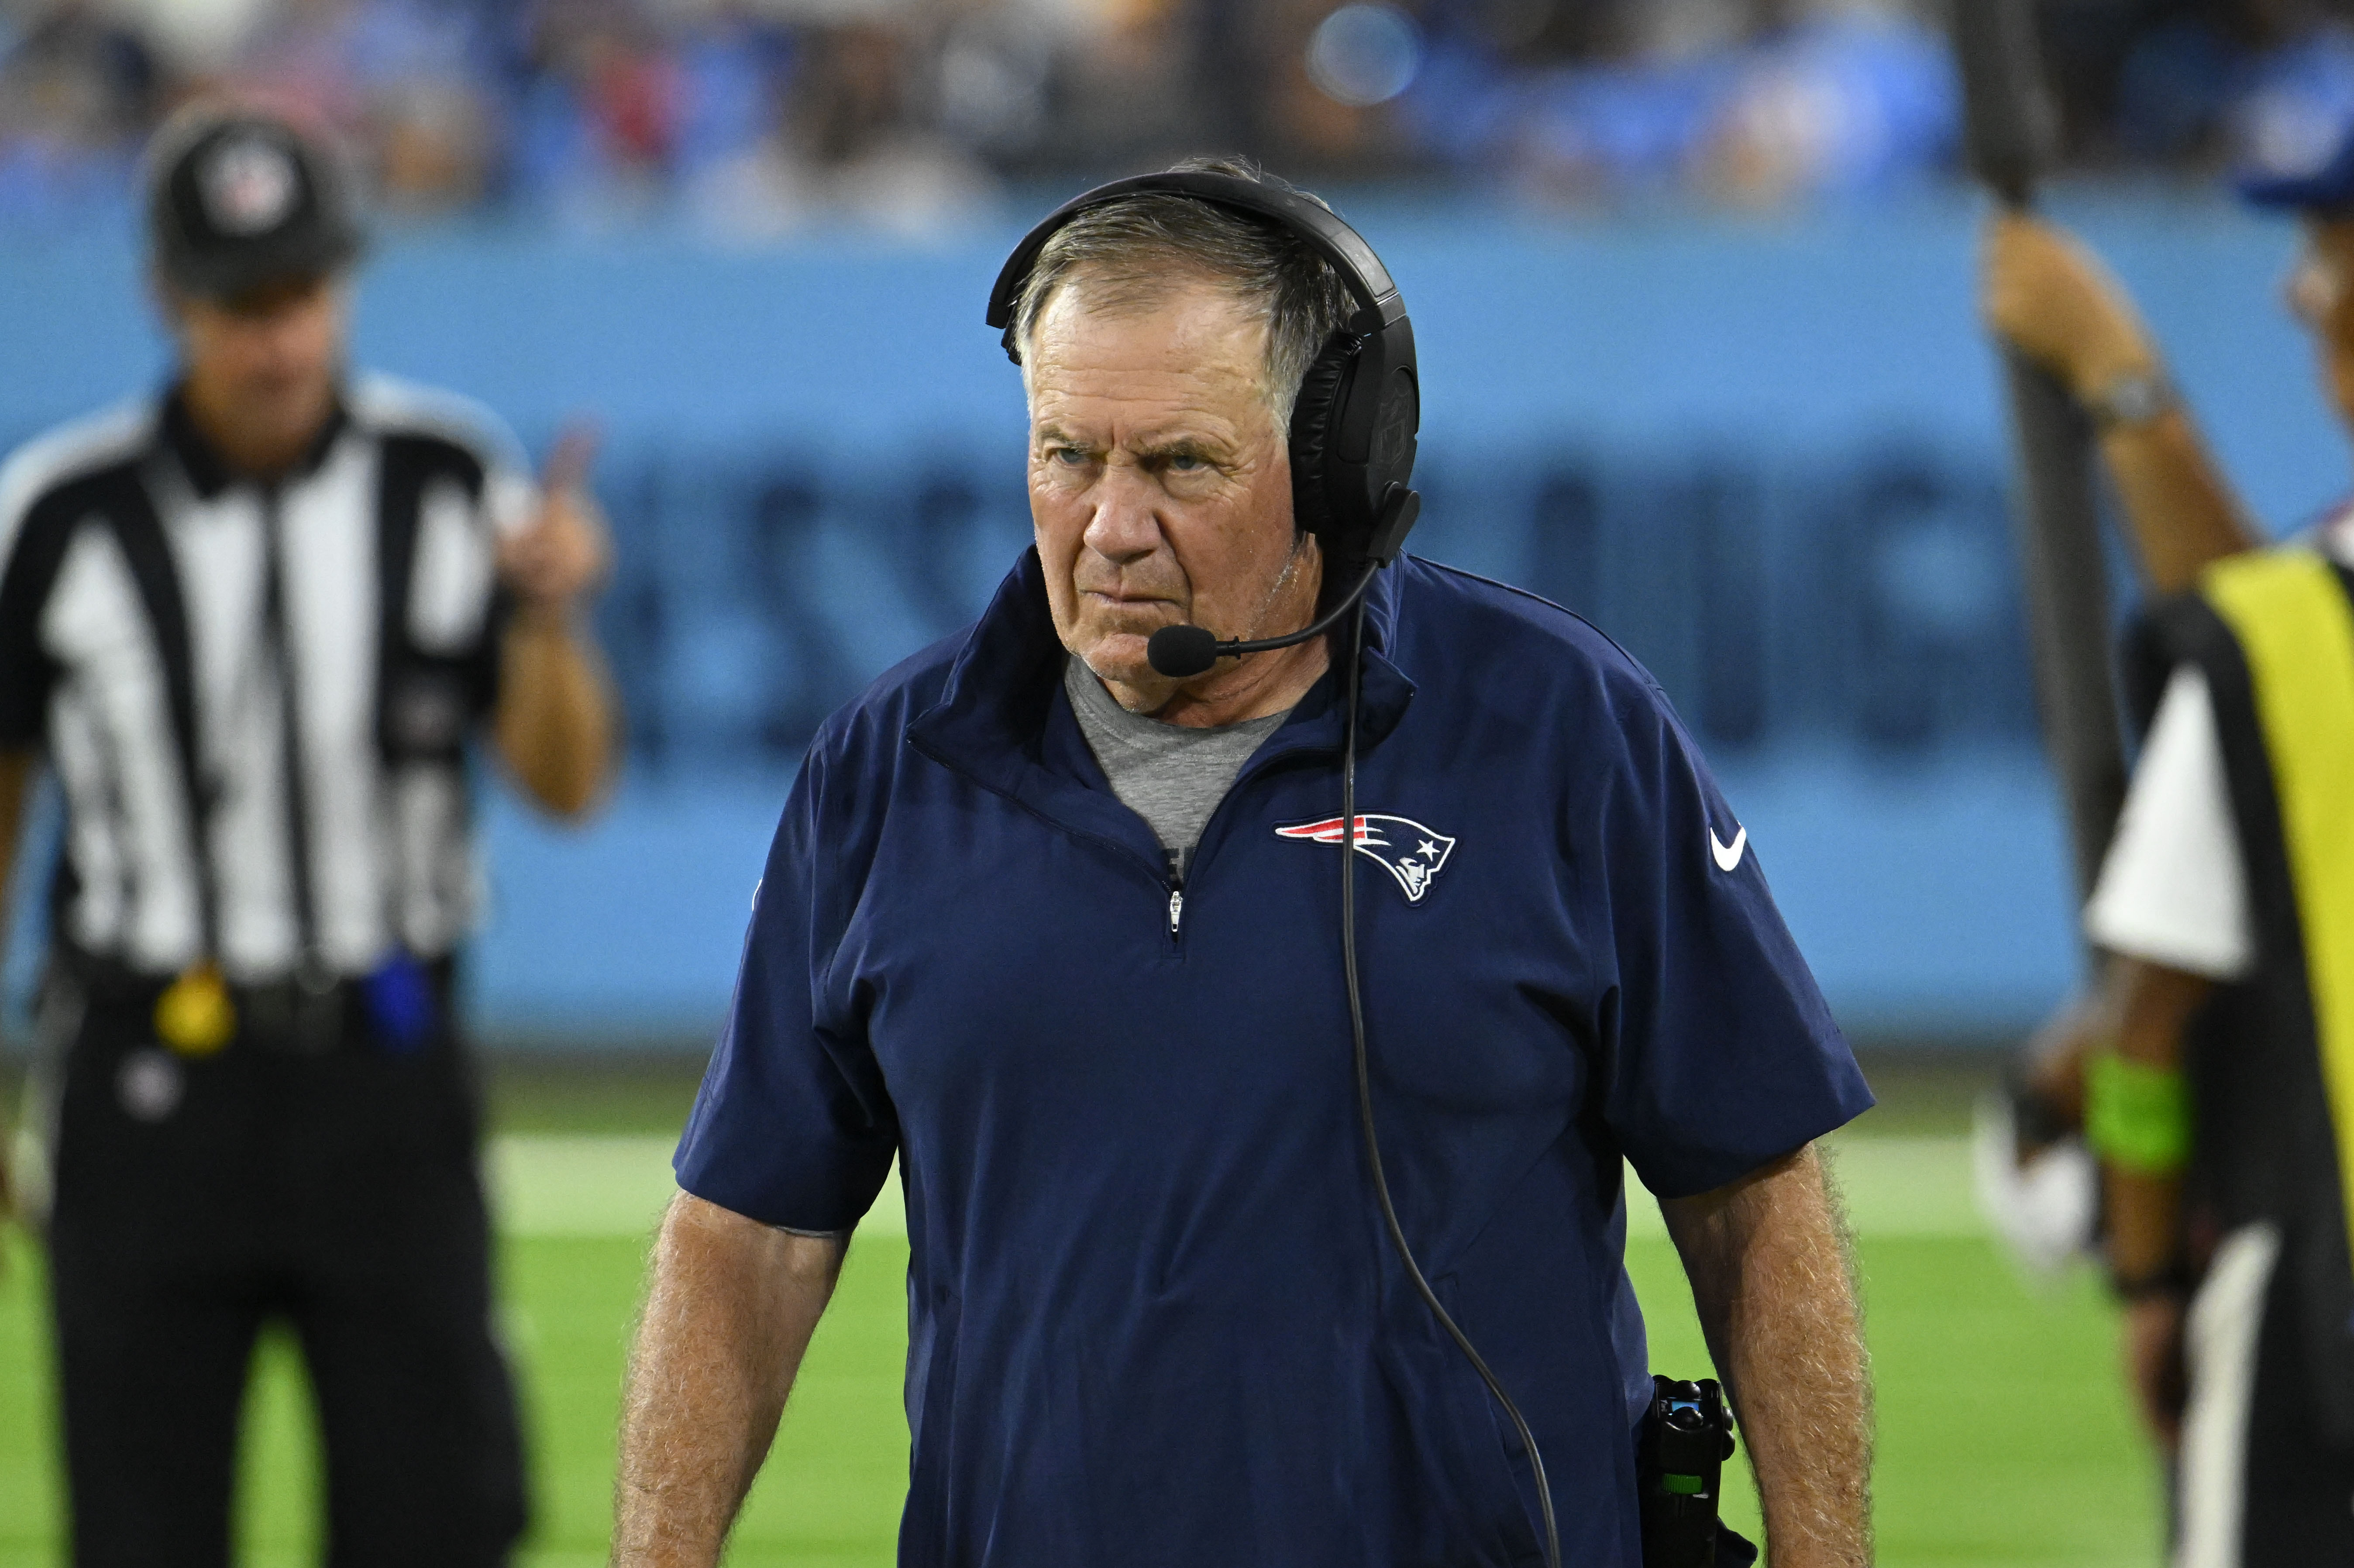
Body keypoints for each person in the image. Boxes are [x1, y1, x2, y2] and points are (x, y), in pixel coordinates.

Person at [612, 160, 1874, 1568]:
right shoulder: (889, 771)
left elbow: (1749, 1195)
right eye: (1065, 454)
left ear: (1339, 467)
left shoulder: (1560, 728)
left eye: (1180, 464)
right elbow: (746, 1240)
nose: (1108, 527)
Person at [0, 104, 616, 1565]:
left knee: (437, 1521)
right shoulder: (62, 516)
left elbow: (565, 781)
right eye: (237, 306)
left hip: (384, 1076)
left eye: (298, 298)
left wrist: (546, 620)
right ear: (167, 298)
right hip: (146, 1077)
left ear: (342, 283)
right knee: (142, 1528)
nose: (275, 343)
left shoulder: (447, 479)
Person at [1980, 129, 2354, 1563]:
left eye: (2329, 260)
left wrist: (2143, 1279)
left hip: (2315, 1325)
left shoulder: (2285, 643)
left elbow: (2144, 1028)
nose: (2299, 298)